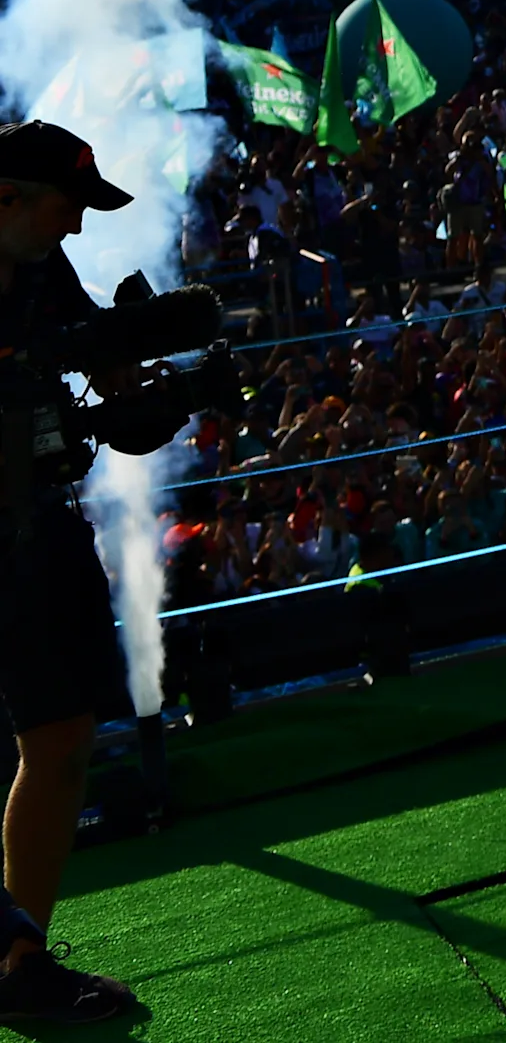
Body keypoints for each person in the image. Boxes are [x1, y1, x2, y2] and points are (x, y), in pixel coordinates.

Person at [0, 122, 215, 1026]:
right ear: (6, 196)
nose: (76, 230)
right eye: (64, 207)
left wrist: (152, 390)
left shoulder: (43, 268)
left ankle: (19, 963)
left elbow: (104, 378)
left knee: (62, 739)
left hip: (37, 520)